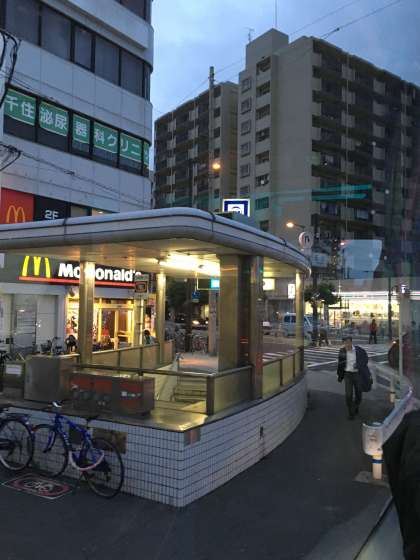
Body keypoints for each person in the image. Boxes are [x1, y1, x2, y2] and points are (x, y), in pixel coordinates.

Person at [337, 336, 370, 420]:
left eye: (348, 342)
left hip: (357, 374)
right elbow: (340, 364)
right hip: (347, 375)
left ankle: (356, 405)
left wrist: (358, 365)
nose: (347, 344)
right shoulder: (342, 351)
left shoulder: (359, 350)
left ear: (351, 342)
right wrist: (339, 375)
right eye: (345, 343)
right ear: (343, 343)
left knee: (359, 394)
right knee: (348, 395)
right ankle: (351, 412)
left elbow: (365, 360)